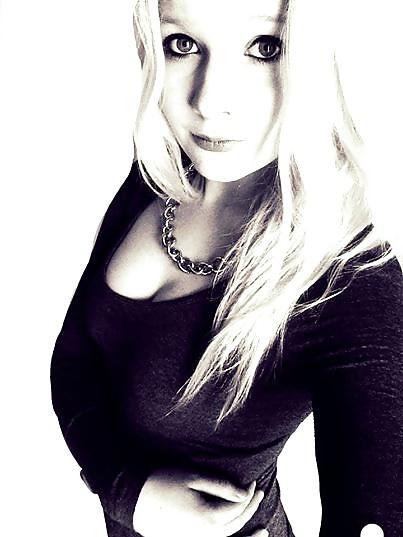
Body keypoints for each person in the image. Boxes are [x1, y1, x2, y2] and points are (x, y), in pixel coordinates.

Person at [50, 0, 403, 536]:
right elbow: (76, 357)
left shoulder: (353, 282)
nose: (210, 103)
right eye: (182, 45)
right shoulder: (160, 175)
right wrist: (126, 491)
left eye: (265, 47)